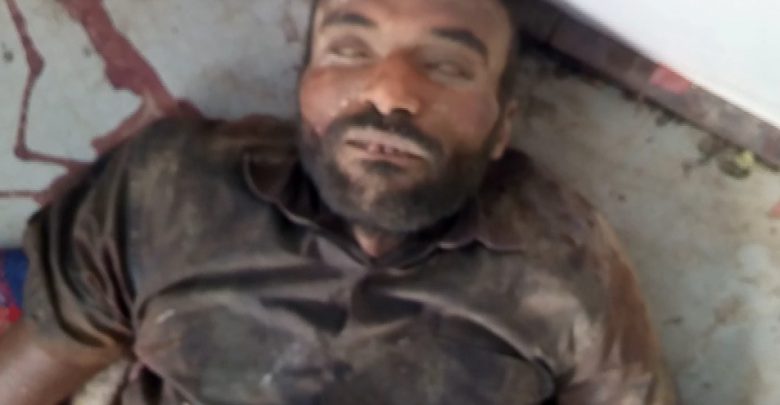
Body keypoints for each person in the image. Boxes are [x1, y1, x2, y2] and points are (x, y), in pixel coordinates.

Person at [0, 0, 677, 403]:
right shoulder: (172, 189)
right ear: (301, 85)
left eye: (447, 66)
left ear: (503, 127)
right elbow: (34, 371)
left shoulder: (564, 263)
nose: (389, 94)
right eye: (350, 50)